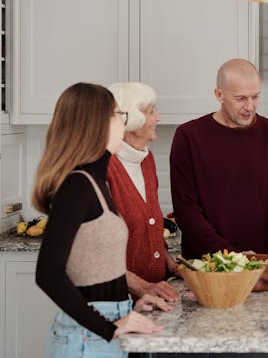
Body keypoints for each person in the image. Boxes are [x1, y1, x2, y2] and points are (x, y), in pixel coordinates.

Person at [34, 83, 170, 358]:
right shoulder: (77, 185)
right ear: (96, 123)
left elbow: (97, 265)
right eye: (116, 114)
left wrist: (126, 307)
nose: (123, 120)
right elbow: (48, 273)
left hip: (102, 328)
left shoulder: (93, 181)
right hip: (87, 338)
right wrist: (108, 326)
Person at [170, 58, 268, 259]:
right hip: (207, 268)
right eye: (241, 98)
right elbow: (186, 211)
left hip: (262, 264)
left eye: (255, 97)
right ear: (219, 95)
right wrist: (231, 256)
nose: (250, 106)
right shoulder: (189, 137)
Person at [107, 82, 180, 303]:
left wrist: (171, 264)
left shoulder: (146, 160)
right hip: (116, 302)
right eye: (151, 112)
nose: (158, 117)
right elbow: (95, 254)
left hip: (154, 295)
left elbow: (149, 229)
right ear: (130, 119)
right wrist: (141, 287)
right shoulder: (102, 168)